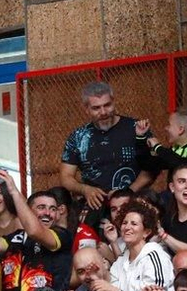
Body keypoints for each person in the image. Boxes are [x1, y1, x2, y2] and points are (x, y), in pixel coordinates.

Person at [61, 81, 142, 229]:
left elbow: (152, 170)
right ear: (86, 109)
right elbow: (66, 177)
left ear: (114, 101)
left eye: (107, 105)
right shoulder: (77, 137)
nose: (103, 112)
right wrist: (85, 190)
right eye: (96, 108)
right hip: (94, 203)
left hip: (133, 201)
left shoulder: (135, 128)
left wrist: (127, 193)